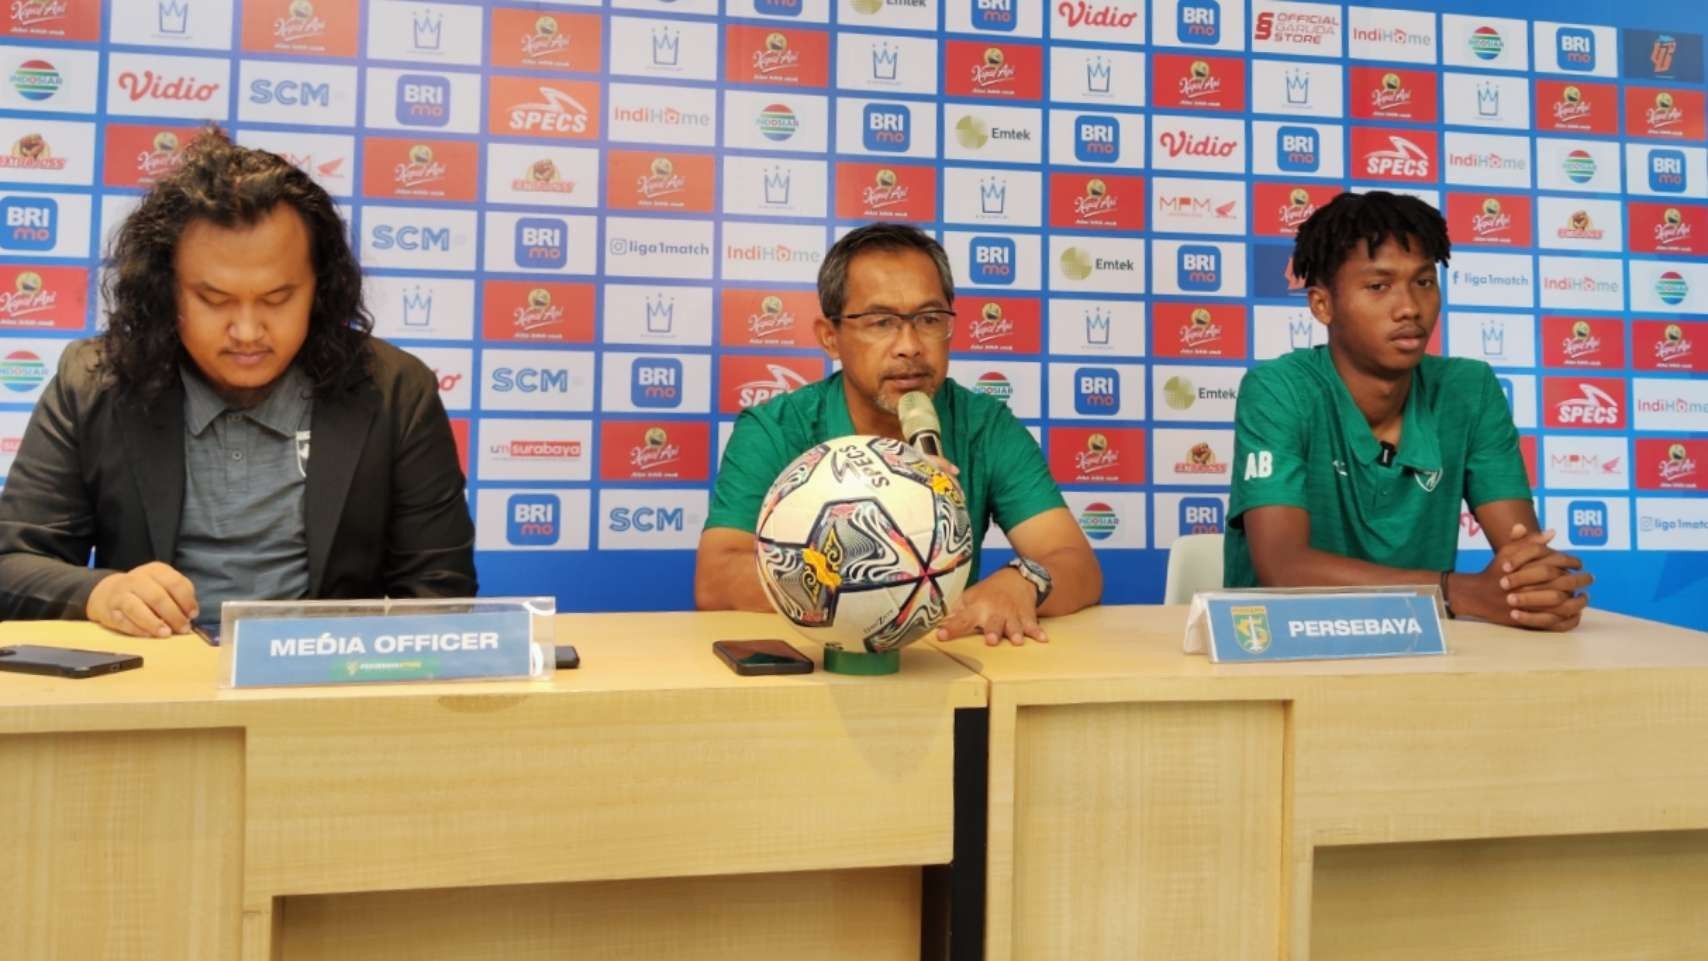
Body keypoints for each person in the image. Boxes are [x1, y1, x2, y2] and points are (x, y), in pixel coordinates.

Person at [0, 129, 476, 635]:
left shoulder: (397, 391)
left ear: (320, 289)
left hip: (329, 691)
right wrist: (102, 593)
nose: (247, 332)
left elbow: (439, 593)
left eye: (277, 299)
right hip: (155, 690)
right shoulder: (94, 382)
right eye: (214, 299)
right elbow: (11, 566)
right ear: (166, 290)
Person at [695, 223, 1101, 644]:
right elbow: (717, 577)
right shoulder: (777, 427)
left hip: (943, 668)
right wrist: (874, 571)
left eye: (929, 319)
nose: (909, 345)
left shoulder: (985, 425)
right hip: (816, 671)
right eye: (881, 322)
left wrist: (1025, 581)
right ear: (830, 337)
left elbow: (1076, 563)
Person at [1225, 190, 1591, 630]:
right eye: (1378, 286)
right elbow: (1283, 570)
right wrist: (1457, 592)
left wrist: (1537, 588)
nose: (1410, 308)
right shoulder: (1279, 390)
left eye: (1423, 282)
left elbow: (1524, 555)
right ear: (1322, 305)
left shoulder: (1469, 389)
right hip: (1286, 647)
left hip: (1423, 653)